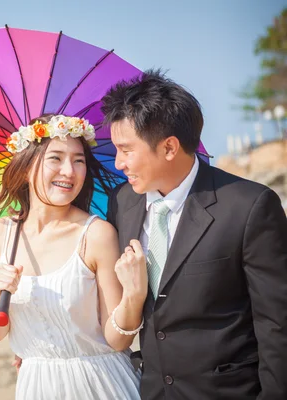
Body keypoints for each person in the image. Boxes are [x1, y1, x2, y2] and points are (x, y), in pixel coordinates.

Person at [102, 69, 287, 399]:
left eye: (127, 150)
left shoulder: (249, 206)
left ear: (170, 147)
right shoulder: (122, 202)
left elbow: (277, 324)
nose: (119, 163)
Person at [0, 114, 146, 399]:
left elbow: (118, 340)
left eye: (78, 160)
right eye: (55, 158)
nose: (69, 171)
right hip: (36, 386)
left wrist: (134, 296)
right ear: (26, 165)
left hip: (102, 384)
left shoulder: (96, 234)